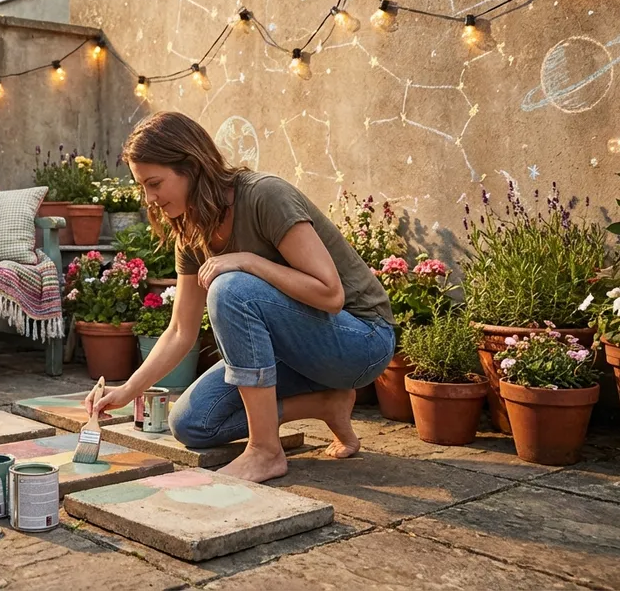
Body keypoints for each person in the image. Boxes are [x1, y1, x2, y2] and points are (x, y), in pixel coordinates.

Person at [85, 111, 396, 483]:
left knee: (230, 286)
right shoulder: (191, 231)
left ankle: (265, 451)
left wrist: (248, 262)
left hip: (361, 340)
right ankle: (325, 404)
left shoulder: (265, 195)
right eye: (143, 187)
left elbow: (330, 295)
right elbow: (181, 331)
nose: (149, 199)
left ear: (191, 166)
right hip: (295, 350)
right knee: (190, 424)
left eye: (155, 183)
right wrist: (127, 390)